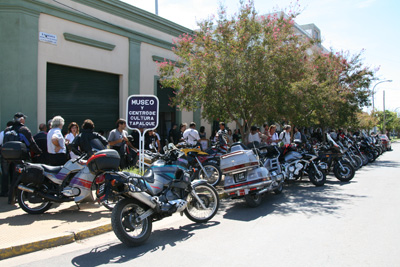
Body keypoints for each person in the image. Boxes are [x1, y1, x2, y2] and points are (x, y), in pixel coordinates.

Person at [3, 113, 42, 203]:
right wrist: (39, 152)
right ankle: (25, 196)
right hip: (21, 158)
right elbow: (31, 143)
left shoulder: (7, 130)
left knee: (12, 177)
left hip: (8, 158)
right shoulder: (24, 129)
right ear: (21, 120)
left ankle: (11, 198)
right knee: (23, 177)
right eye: (24, 118)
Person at [0, 121, 14, 197]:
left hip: (5, 157)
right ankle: (13, 191)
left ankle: (4, 191)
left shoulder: (2, 133)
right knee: (13, 175)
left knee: (5, 175)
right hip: (14, 157)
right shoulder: (15, 133)